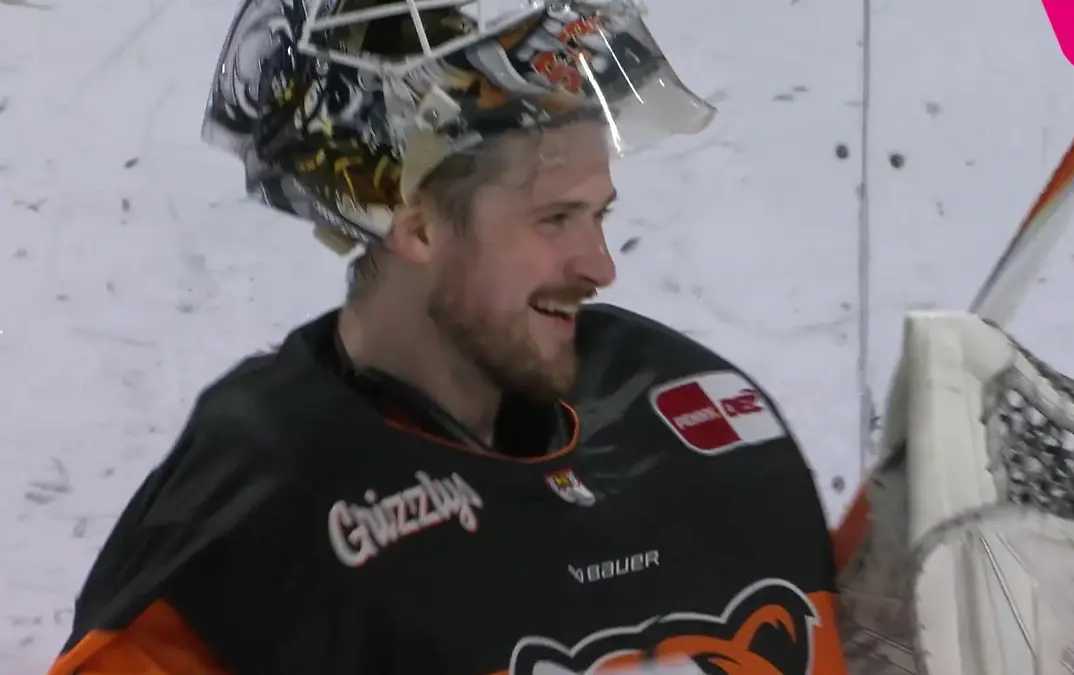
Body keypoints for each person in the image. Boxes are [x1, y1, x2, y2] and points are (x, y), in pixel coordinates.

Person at [49, 0, 856, 672]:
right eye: (555, 219)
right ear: (416, 223)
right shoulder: (263, 502)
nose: (601, 265)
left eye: (600, 215)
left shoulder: (677, 400)